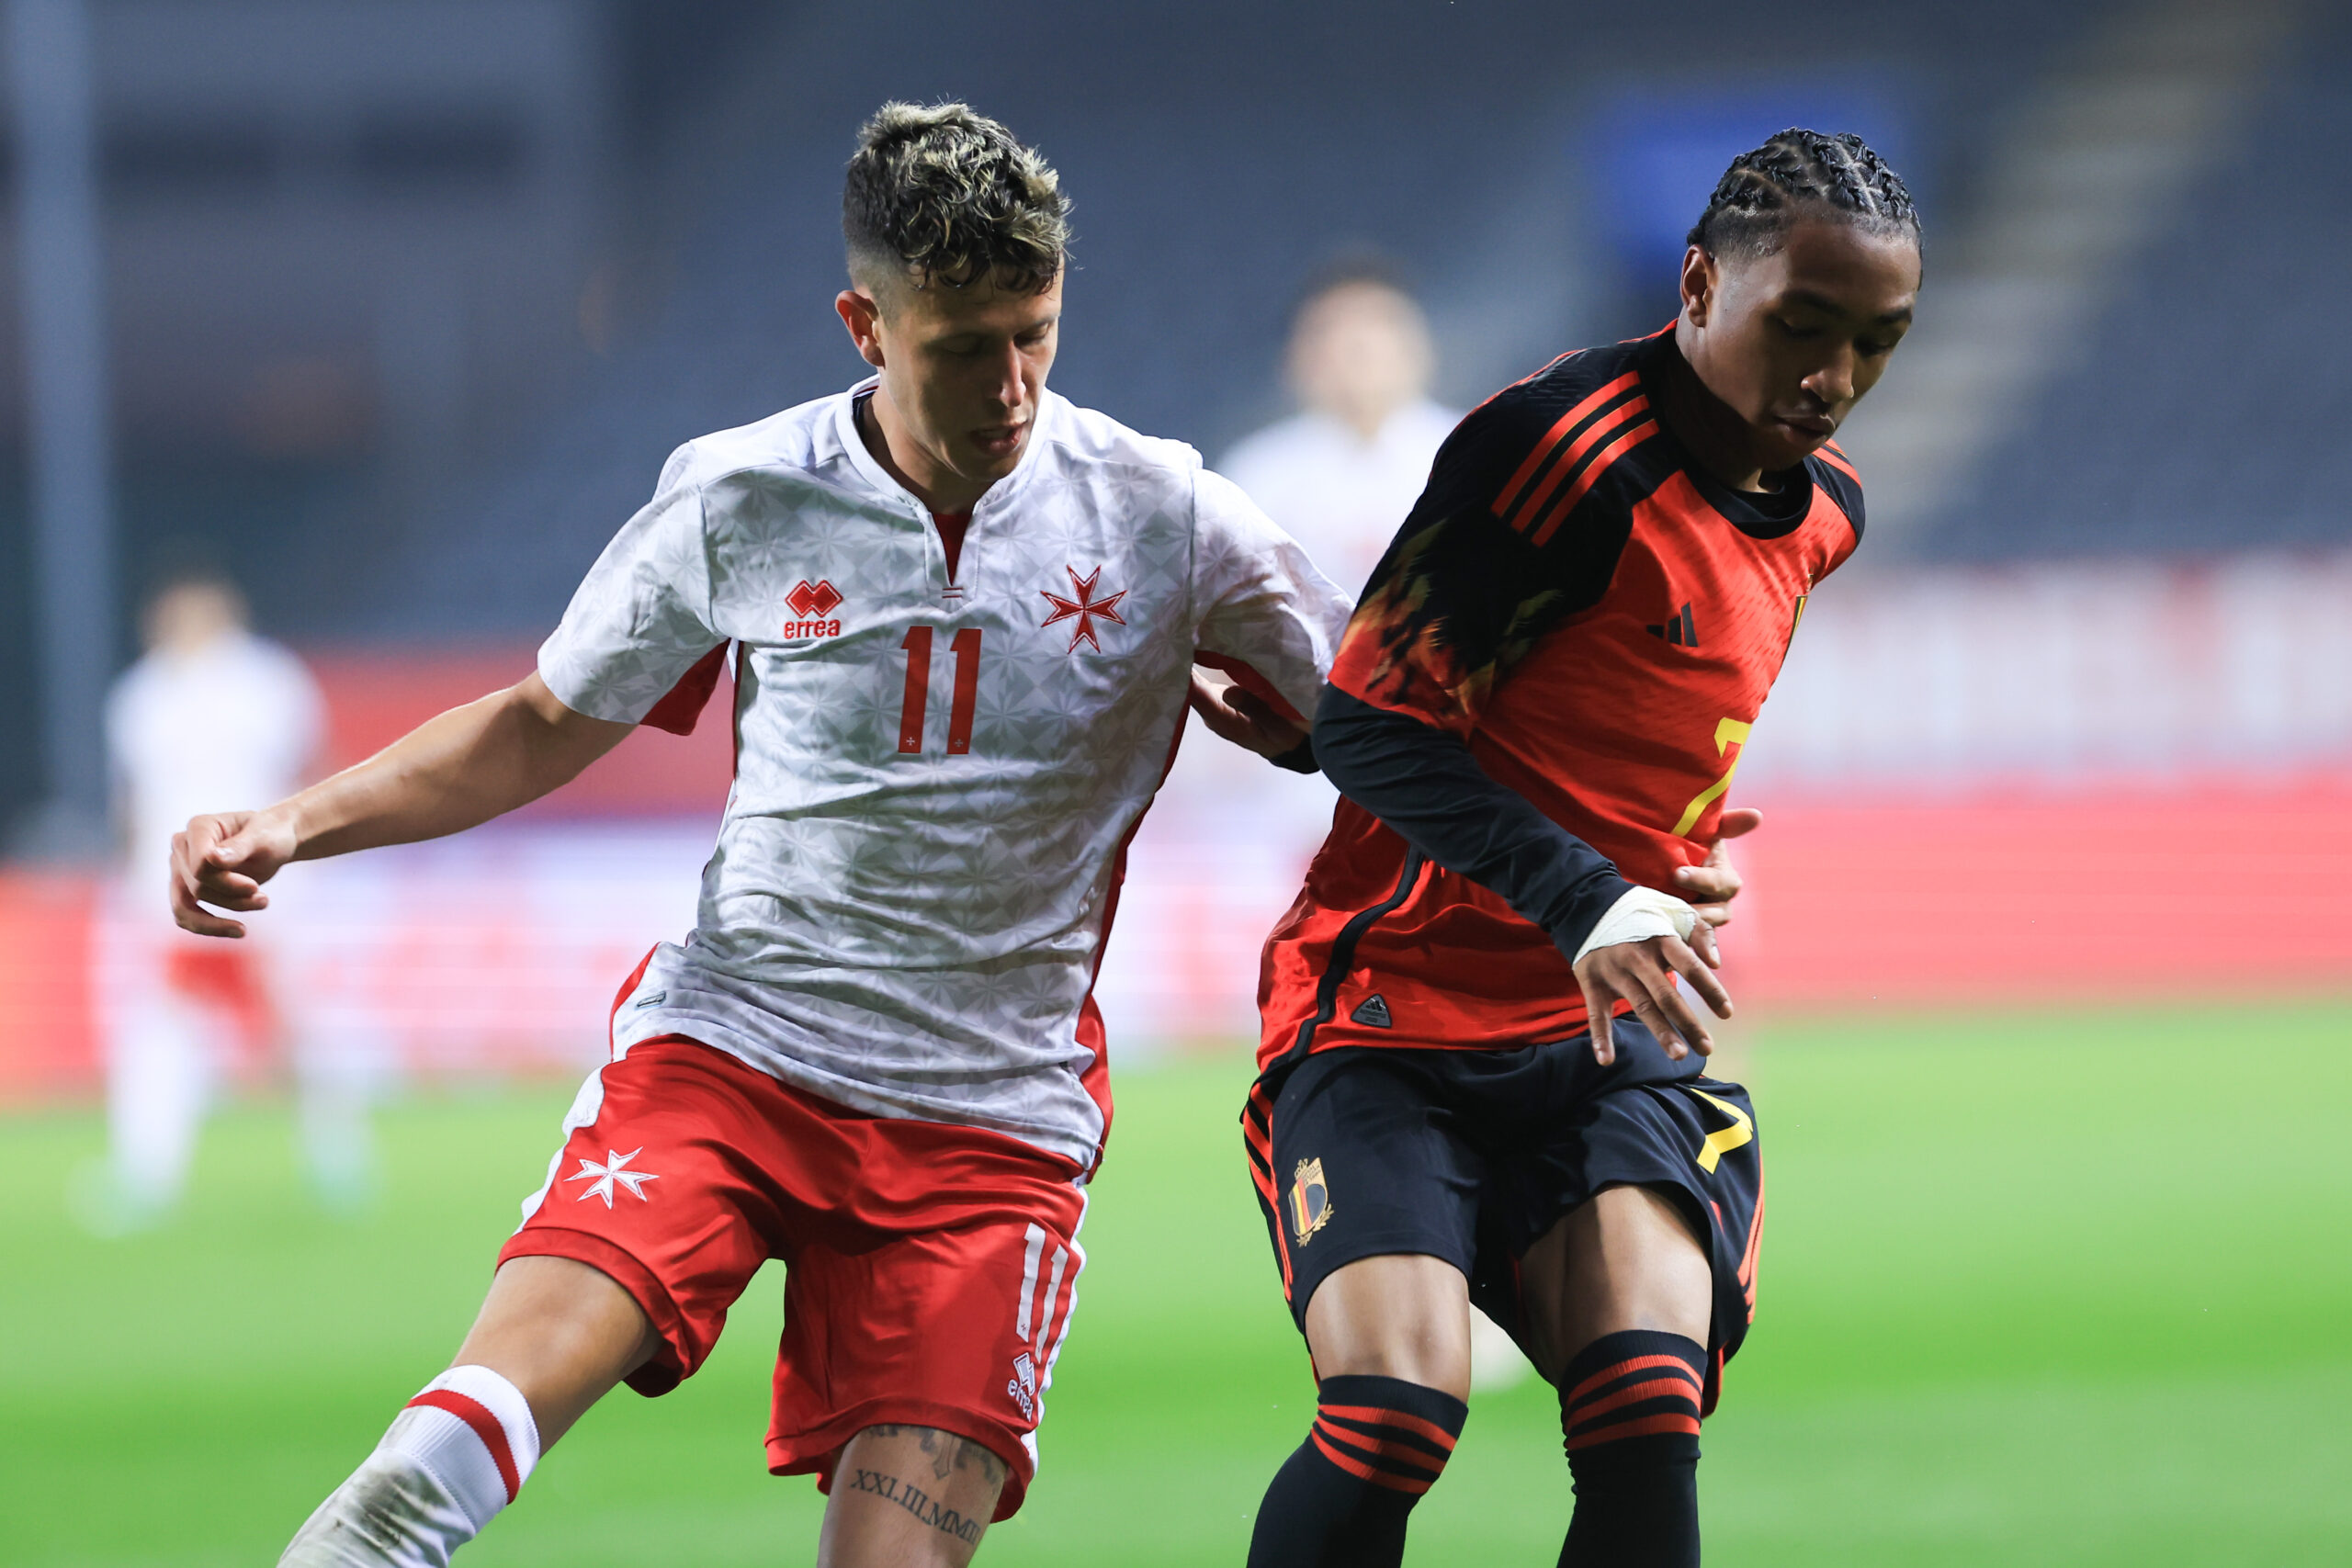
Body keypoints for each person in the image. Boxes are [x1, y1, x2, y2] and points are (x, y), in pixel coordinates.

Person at [172, 103, 1347, 1568]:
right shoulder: (740, 492)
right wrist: (296, 818)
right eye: (961, 347)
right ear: (865, 322)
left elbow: (1396, 715)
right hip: (732, 1049)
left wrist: (1590, 864)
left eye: (1035, 332)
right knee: (474, 1416)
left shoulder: (1169, 514)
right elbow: (546, 719)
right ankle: (378, 1529)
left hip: (989, 1126)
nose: (1011, 388)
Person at [1240, 129, 1921, 1567]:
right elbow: (1369, 729)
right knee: (1392, 1416)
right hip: (1392, 1016)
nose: (1833, 375)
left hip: (1601, 1036)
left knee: (1644, 1408)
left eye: (1876, 340)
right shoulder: (1556, 450)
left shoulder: (1828, 514)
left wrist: (1659, 852)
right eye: (1802, 323)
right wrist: (1588, 886)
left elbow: (1611, 720)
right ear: (1696, 283)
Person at [75, 564, 361, 1232]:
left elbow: (312, 770)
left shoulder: (264, 680)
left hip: (267, 879)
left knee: (296, 1023)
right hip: (174, 884)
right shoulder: (145, 692)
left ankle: (337, 1158)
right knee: (167, 1025)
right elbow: (134, 801)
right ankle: (150, 1170)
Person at [1220, 262, 1460, 596]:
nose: (1359, 345)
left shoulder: (1482, 452)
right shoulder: (1259, 474)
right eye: (1333, 329)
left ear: (1419, 346)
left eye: (1379, 324)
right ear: (1297, 356)